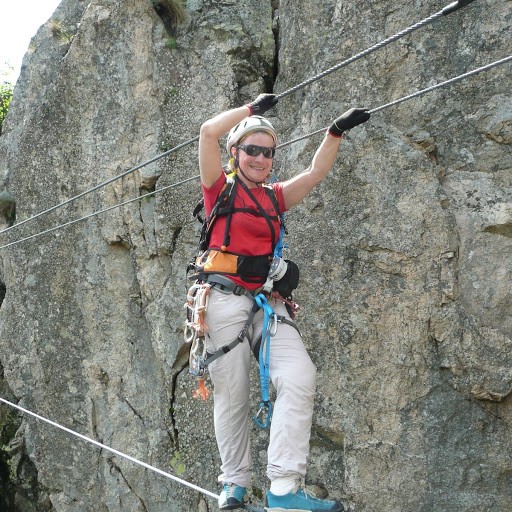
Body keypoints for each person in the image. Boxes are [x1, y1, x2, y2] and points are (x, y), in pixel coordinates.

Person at [195, 93, 370, 511]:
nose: (260, 158)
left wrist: (335, 131)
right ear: (236, 153)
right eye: (252, 149)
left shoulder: (275, 197)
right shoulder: (218, 189)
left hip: (267, 304)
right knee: (232, 394)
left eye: (268, 152)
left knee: (298, 376)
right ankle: (234, 484)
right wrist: (251, 111)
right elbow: (207, 132)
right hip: (223, 299)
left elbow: (312, 174)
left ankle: (284, 490)